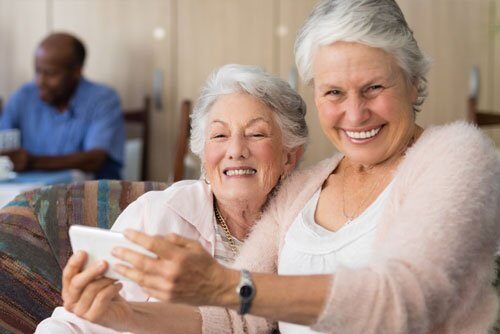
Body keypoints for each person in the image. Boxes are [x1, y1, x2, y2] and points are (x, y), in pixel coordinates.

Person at [97, 0, 500, 333]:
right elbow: (234, 318)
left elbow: (404, 301)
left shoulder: (457, 155)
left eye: (374, 87)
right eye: (334, 92)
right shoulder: (305, 186)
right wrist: (127, 316)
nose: (355, 113)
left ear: (413, 83)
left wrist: (226, 285)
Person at [35, 64, 308, 333]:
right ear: (202, 153)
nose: (235, 150)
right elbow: (76, 324)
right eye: (220, 135)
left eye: (256, 134)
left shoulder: (310, 225)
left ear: (289, 156)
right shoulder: (158, 214)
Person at [0, 32, 125, 179]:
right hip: (29, 191)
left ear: (76, 71)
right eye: (38, 71)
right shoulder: (23, 97)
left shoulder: (103, 99)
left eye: (50, 73)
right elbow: (5, 146)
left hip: (87, 193)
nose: (40, 81)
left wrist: (33, 162)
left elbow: (95, 159)